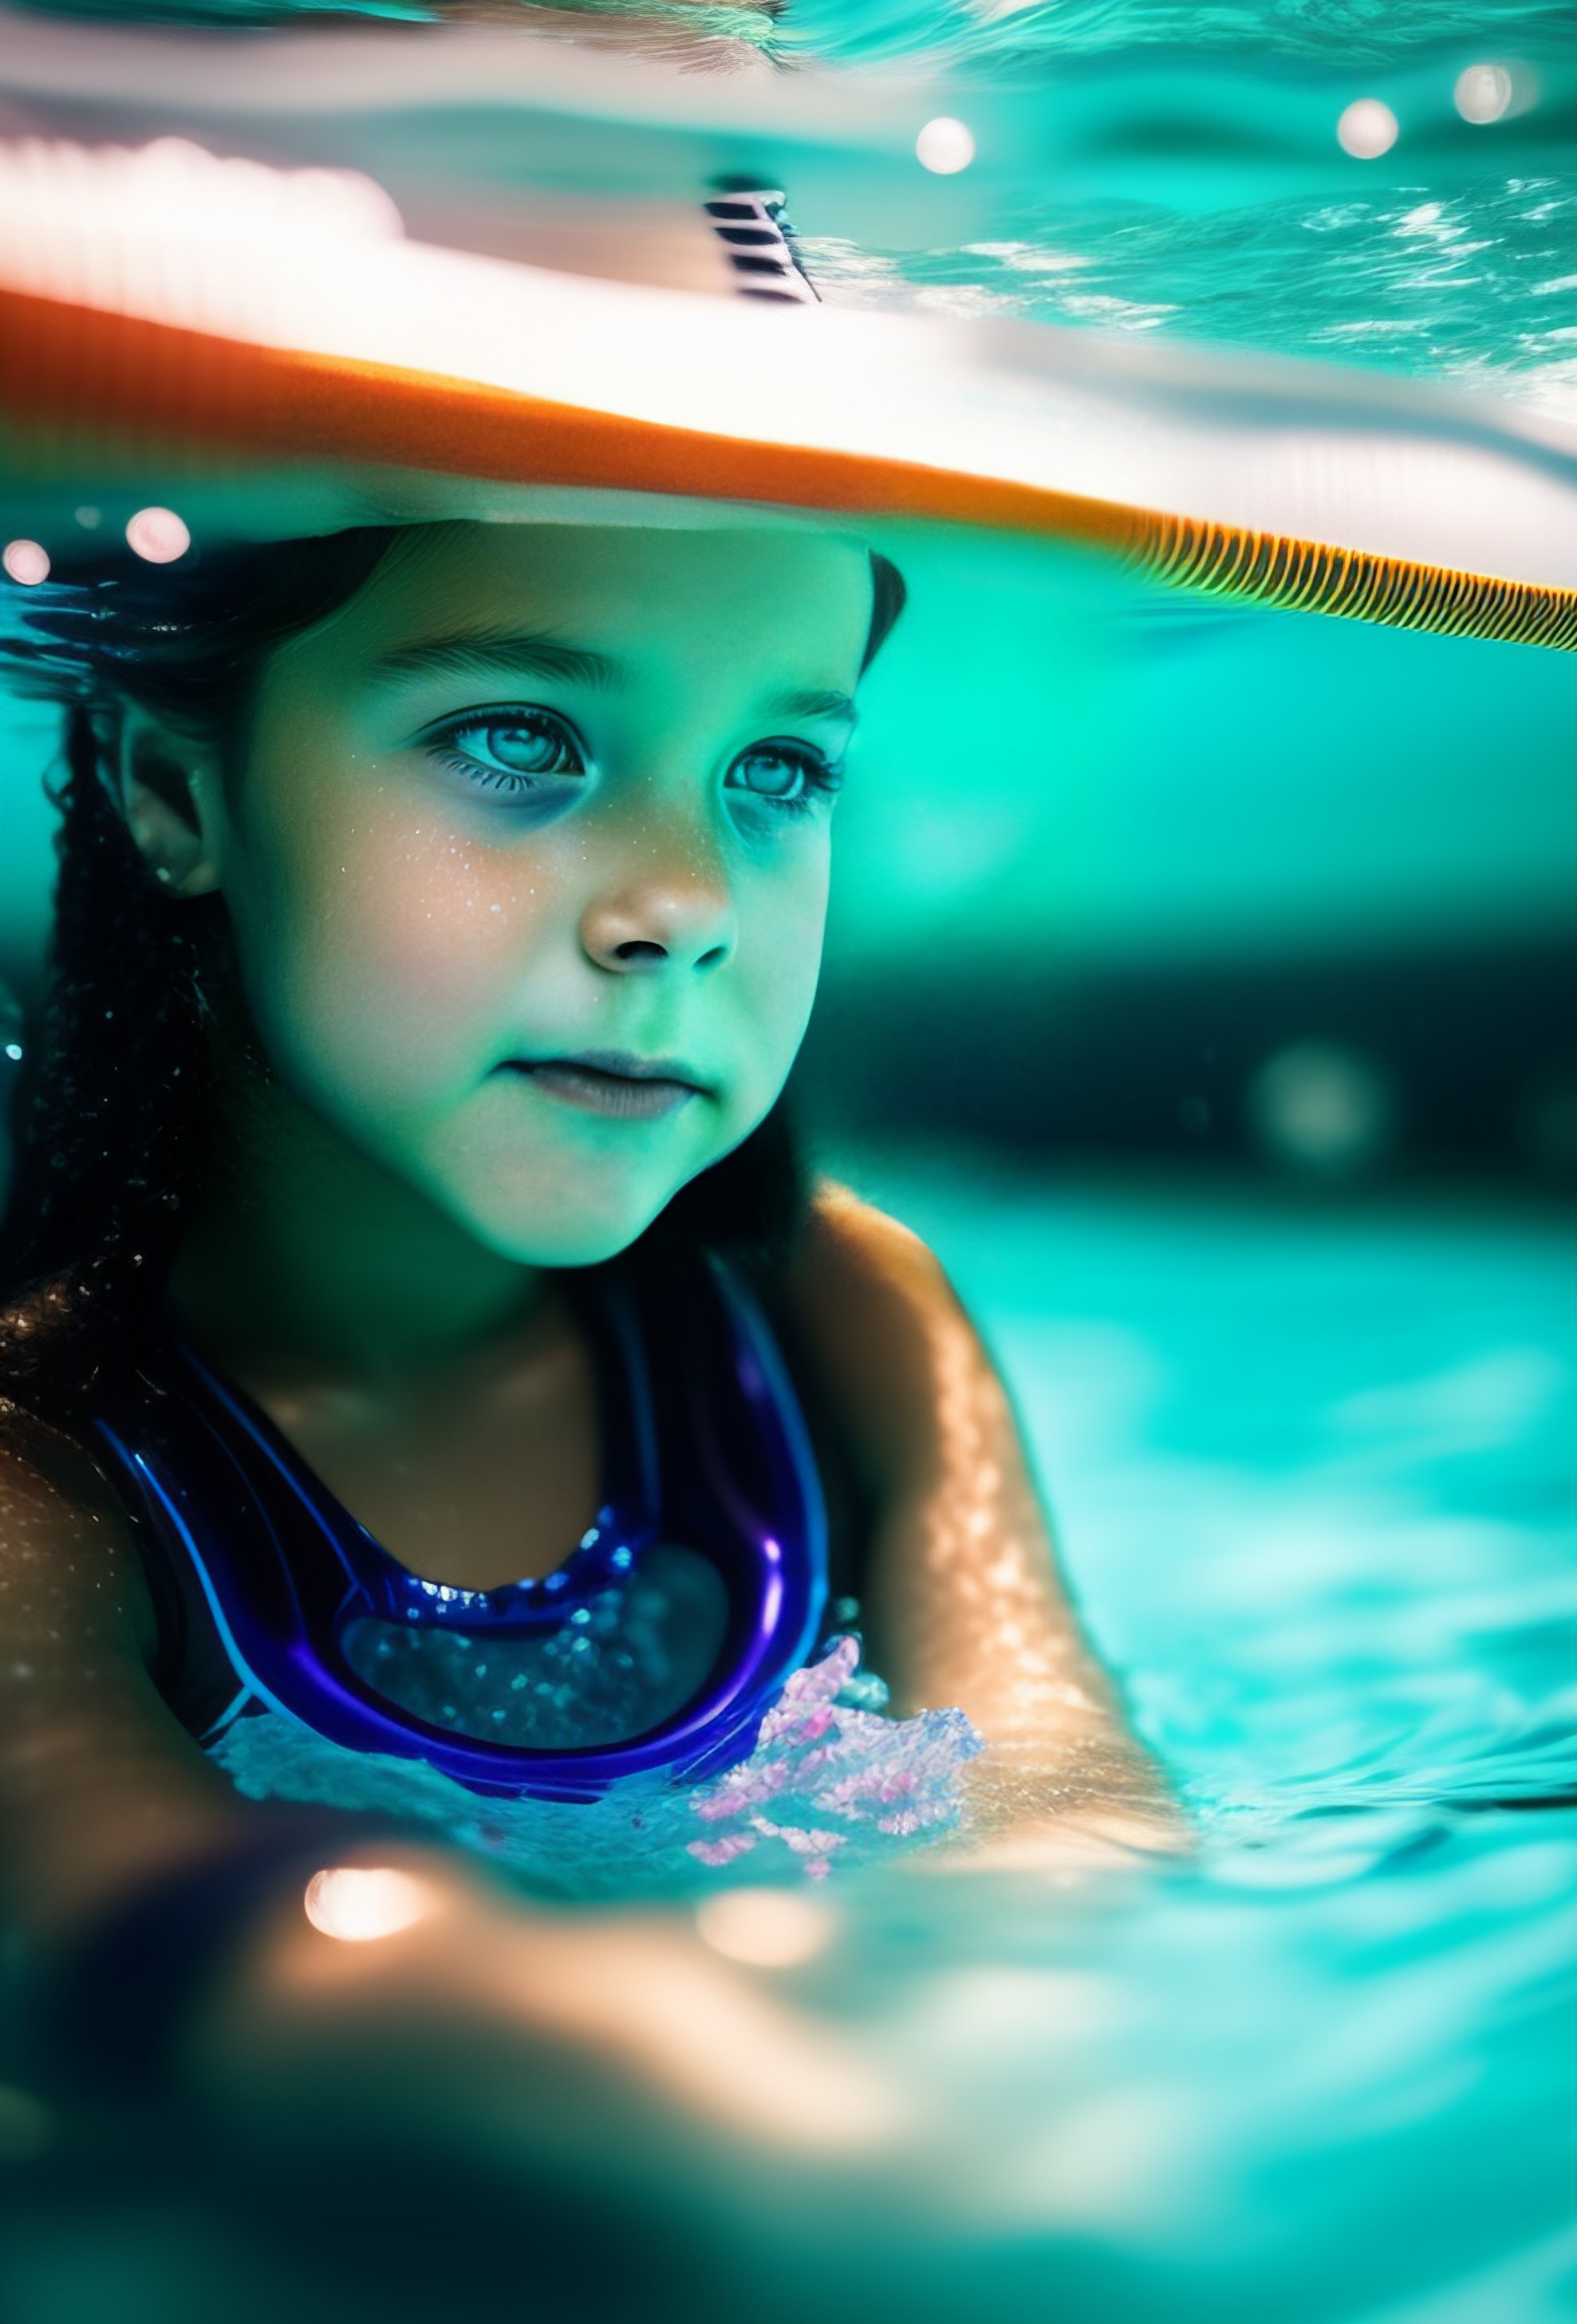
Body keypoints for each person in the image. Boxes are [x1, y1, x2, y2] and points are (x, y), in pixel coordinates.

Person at [0, 511, 1171, 2190]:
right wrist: (692, 2068)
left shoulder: (838, 1316)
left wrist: (1019, 2012)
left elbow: (1063, 1783)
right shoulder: (41, 1473)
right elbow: (112, 1909)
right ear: (179, 793)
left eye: (776, 769)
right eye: (518, 740)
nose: (681, 906)